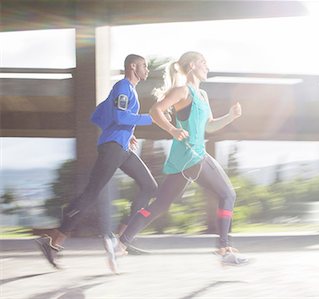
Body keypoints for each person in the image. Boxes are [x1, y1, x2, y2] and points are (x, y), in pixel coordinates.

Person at [117, 51, 248, 265]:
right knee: (228, 194)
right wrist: (172, 130)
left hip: (184, 159)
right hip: (193, 155)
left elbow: (209, 126)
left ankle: (120, 244)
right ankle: (224, 249)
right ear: (192, 65)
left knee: (160, 205)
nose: (207, 67)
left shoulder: (202, 96)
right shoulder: (182, 91)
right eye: (204, 62)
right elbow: (155, 110)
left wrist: (231, 116)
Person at [35, 54, 158, 273]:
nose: (147, 70)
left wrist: (126, 133)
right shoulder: (123, 86)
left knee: (149, 186)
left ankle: (122, 238)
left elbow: (108, 116)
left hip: (121, 148)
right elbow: (120, 117)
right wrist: (150, 118)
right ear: (132, 66)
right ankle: (54, 241)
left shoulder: (128, 89)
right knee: (90, 195)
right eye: (144, 66)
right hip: (112, 148)